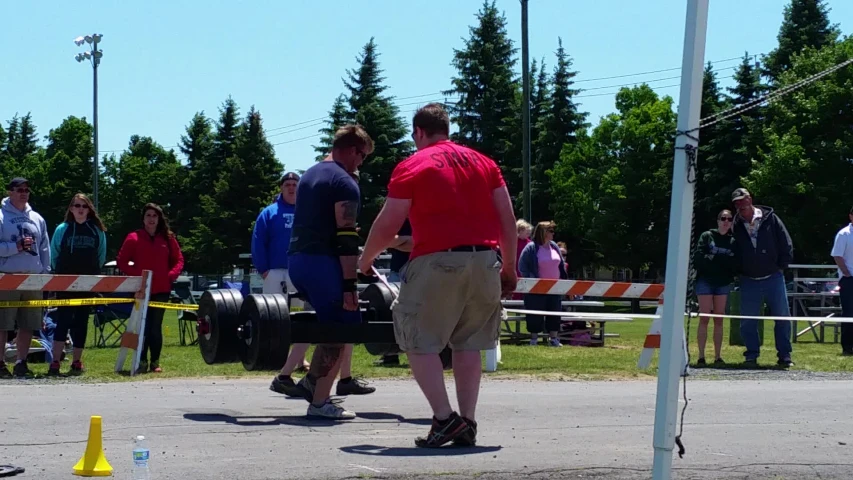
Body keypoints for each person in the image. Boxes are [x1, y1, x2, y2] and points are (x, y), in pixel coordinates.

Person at [358, 103, 518, 448]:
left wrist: (366, 258)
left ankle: (445, 419)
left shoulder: (413, 165)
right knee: (469, 342)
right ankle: (469, 421)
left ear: (418, 132)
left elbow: (388, 224)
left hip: (438, 261)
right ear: (447, 128)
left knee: (417, 340)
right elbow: (507, 218)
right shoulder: (485, 163)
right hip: (486, 259)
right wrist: (509, 266)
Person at [286, 124, 377, 419]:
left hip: (298, 260)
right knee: (343, 328)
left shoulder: (309, 175)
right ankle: (319, 402)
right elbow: (346, 236)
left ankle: (312, 383)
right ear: (352, 150)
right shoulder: (345, 183)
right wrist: (350, 285)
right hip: (322, 263)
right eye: (362, 156)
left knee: (330, 326)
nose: (361, 163)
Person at [253, 172, 312, 393]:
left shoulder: (307, 212)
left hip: (299, 271)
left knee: (301, 317)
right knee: (274, 318)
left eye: (295, 184)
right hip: (275, 272)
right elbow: (258, 241)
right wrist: (264, 270)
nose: (291, 188)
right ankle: (272, 355)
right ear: (281, 188)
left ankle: (299, 359)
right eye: (287, 184)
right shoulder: (269, 213)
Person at [116, 203, 185, 374]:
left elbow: (179, 260)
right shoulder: (133, 237)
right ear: (143, 218)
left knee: (155, 327)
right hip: (141, 289)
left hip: (162, 289)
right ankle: (141, 360)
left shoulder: (168, 238)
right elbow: (122, 261)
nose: (152, 219)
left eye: (155, 215)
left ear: (159, 218)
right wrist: (139, 276)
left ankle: (155, 361)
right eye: (148, 215)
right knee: (142, 327)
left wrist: (170, 275)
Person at [730, 188, 794, 368]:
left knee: (782, 317)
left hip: (773, 276)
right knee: (748, 320)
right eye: (736, 203)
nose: (740, 205)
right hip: (748, 279)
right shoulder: (735, 224)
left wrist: (782, 267)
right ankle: (751, 354)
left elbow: (785, 241)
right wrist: (738, 270)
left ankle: (784, 355)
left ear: (750, 199)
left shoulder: (770, 218)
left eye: (742, 201)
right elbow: (733, 251)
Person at [48, 194, 107, 376]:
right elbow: (54, 255)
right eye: (77, 205)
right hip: (65, 282)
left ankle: (77, 361)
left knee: (81, 322)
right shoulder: (62, 229)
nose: (80, 209)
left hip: (87, 283)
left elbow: (101, 256)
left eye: (84, 206)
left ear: (89, 209)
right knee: (63, 321)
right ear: (71, 209)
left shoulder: (96, 230)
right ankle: (55, 361)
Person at [0, 177, 51, 379]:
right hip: (6, 278)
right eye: (19, 189)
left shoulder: (37, 218)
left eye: (27, 190)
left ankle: (21, 362)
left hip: (32, 278)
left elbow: (44, 248)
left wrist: (45, 275)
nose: (24, 193)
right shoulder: (2, 216)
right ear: (9, 192)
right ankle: (0, 364)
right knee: (2, 324)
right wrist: (16, 247)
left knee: (29, 324)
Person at [693, 209, 737, 366]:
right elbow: (698, 257)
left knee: (719, 319)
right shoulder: (707, 236)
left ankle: (718, 356)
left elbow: (734, 263)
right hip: (705, 281)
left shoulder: (733, 241)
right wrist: (718, 260)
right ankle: (701, 356)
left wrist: (716, 259)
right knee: (704, 318)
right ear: (718, 221)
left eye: (729, 219)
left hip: (723, 282)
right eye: (723, 218)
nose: (726, 221)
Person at [518, 221, 569, 347]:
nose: (553, 233)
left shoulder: (554, 246)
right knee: (535, 313)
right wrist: (532, 279)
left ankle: (554, 338)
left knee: (555, 312)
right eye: (550, 231)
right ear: (543, 232)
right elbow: (522, 266)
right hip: (537, 287)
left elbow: (561, 265)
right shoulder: (531, 247)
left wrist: (563, 279)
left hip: (555, 287)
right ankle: (534, 338)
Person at [830, 206, 853, 355]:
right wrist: (847, 273)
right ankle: (848, 347)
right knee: (849, 313)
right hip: (849, 279)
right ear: (851, 216)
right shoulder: (844, 234)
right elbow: (837, 255)